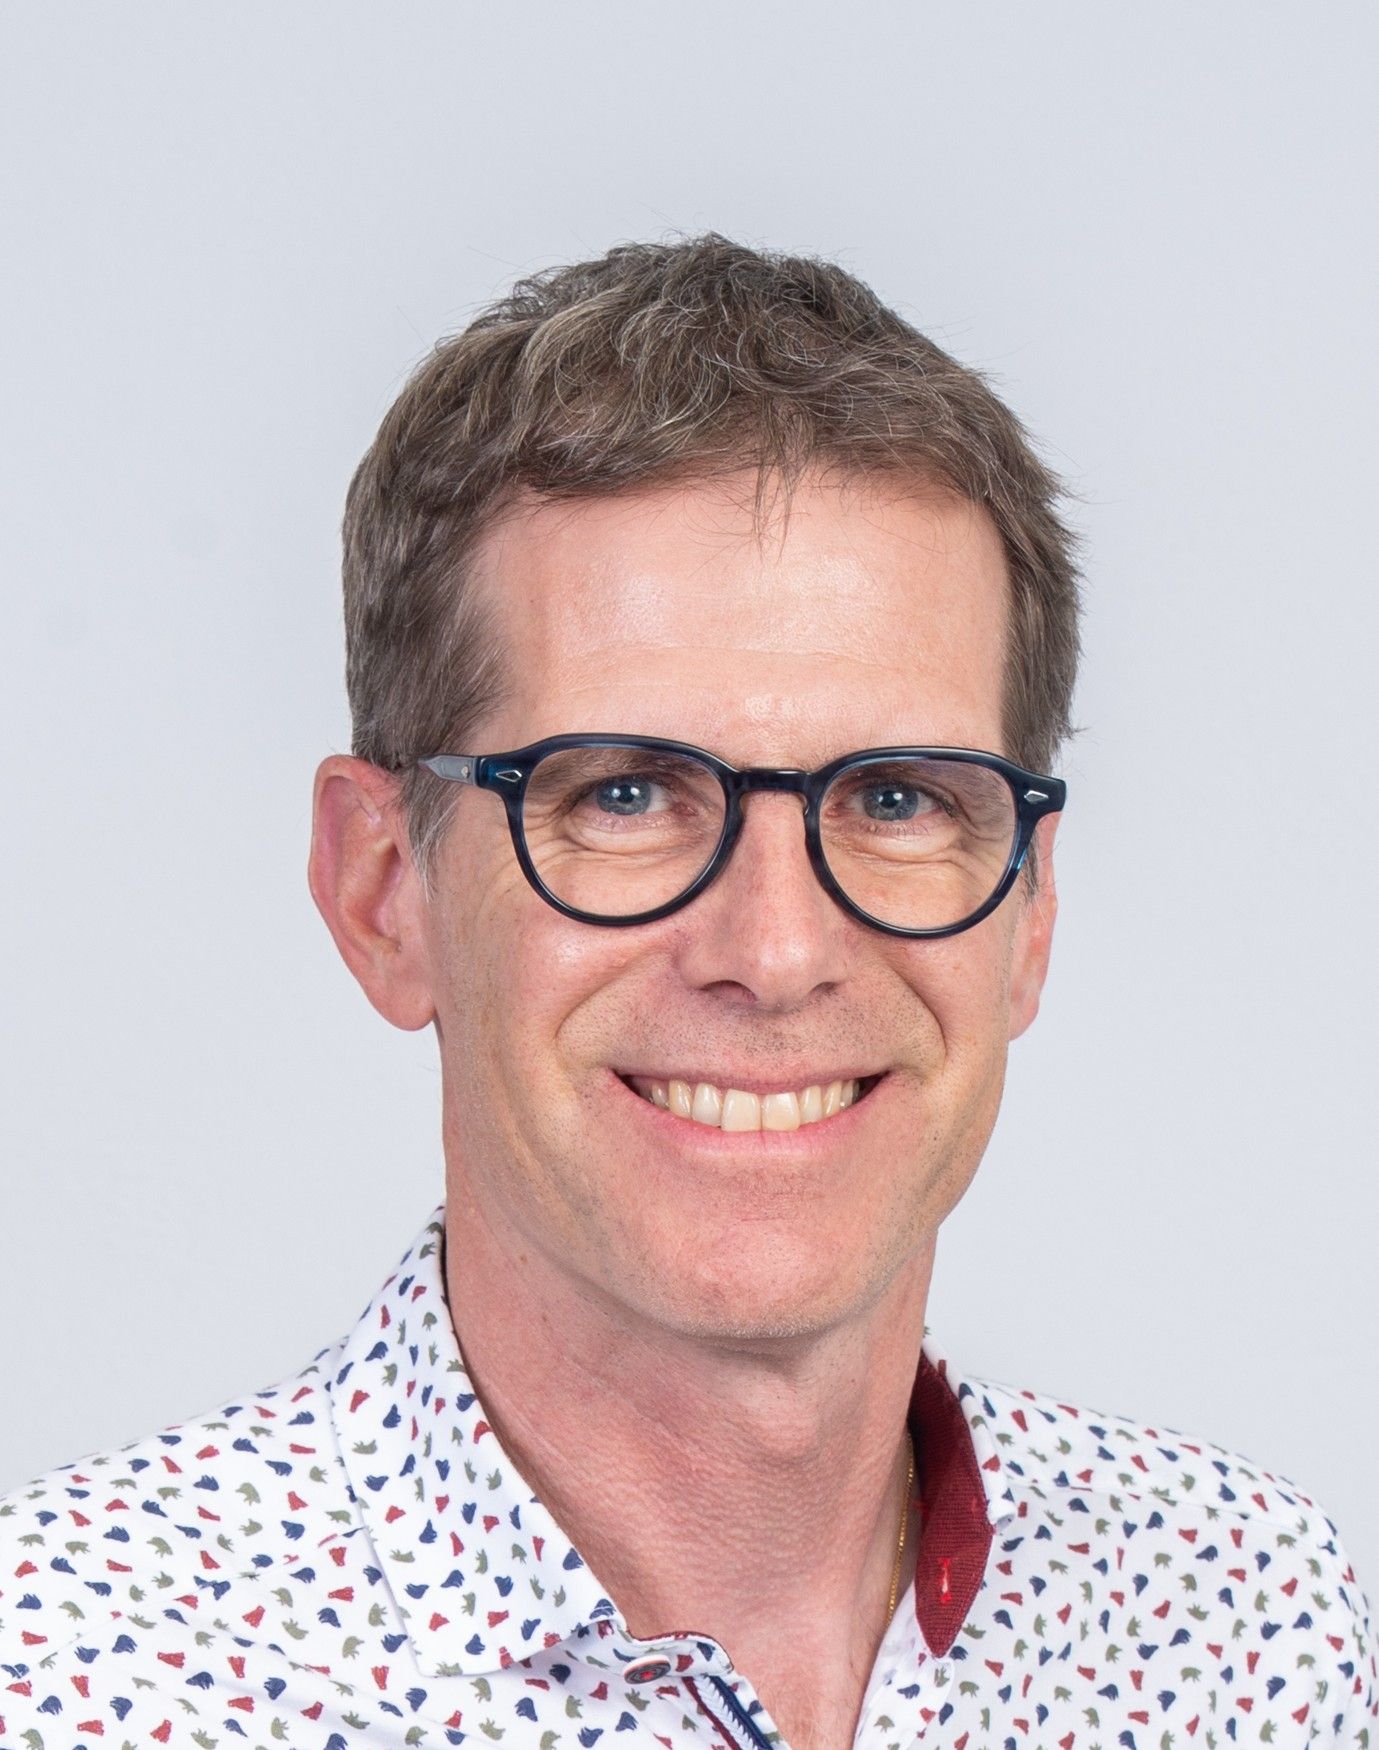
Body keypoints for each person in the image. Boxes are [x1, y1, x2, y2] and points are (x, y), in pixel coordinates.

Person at [1, 236, 1373, 1750]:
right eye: (627, 793)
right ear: (384, 889)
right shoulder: (71, 1678)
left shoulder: (1245, 1622)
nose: (776, 953)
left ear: (1029, 913)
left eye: (899, 799)